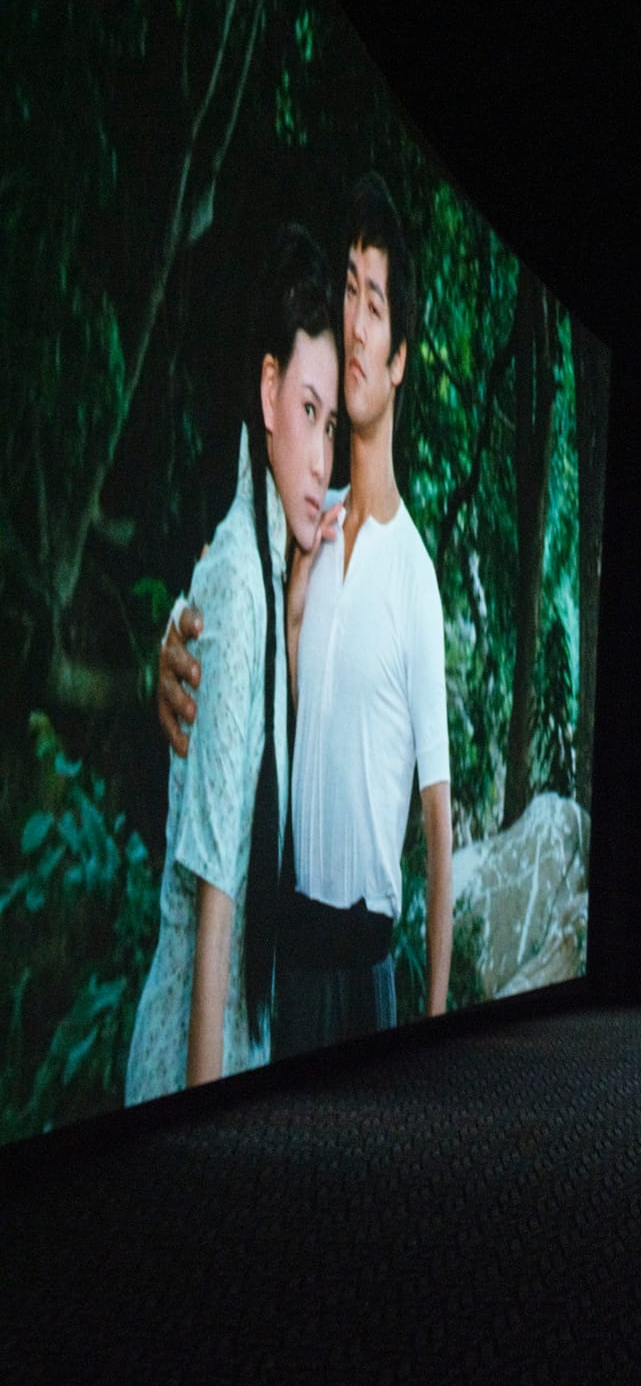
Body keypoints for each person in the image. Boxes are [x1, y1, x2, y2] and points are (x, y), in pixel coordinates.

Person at [158, 174, 455, 1055]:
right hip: (284, 958)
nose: (356, 324)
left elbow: (437, 819)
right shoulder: (304, 525)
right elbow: (224, 603)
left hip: (367, 960)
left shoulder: (414, 574)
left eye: (375, 305)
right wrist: (170, 648)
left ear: (398, 359)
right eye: (350, 294)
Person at [126, 226, 339, 1103]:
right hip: (193, 1057)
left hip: (241, 1046)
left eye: (332, 426)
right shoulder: (236, 583)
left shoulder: (265, 573)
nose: (322, 459)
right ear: (267, 390)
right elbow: (216, 913)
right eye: (307, 412)